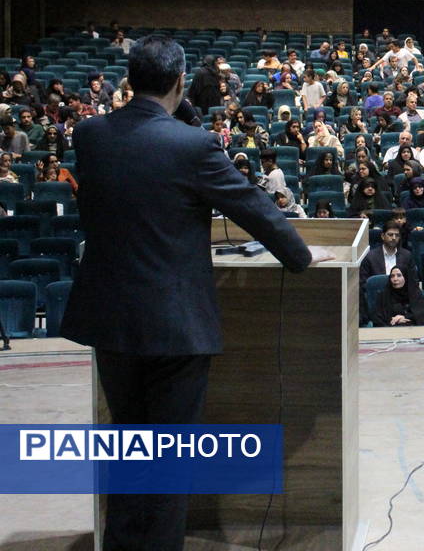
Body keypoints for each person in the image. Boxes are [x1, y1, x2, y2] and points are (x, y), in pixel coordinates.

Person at [59, 36, 312, 551]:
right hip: (175, 325)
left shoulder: (89, 135)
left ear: (130, 80)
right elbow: (253, 208)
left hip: (112, 320)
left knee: (127, 449)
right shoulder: (194, 147)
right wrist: (302, 256)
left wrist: (179, 111)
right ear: (179, 82)